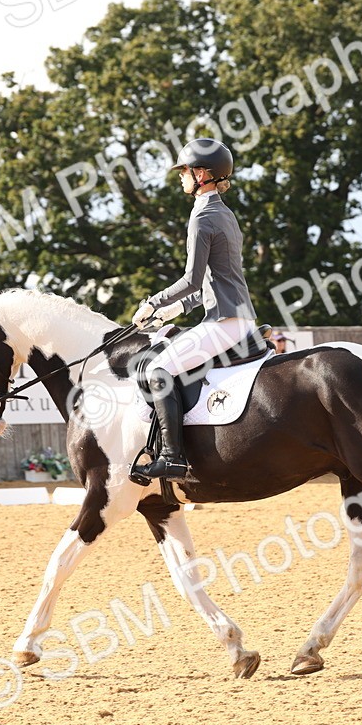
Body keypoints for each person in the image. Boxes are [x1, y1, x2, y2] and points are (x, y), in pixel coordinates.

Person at [130, 138, 257, 482]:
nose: (181, 177)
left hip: (225, 322)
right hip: (237, 315)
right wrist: (175, 311)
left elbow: (191, 279)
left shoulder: (202, 217)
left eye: (184, 171)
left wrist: (154, 303)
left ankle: (172, 457)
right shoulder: (225, 214)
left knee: (158, 370)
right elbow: (212, 284)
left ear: (201, 174)